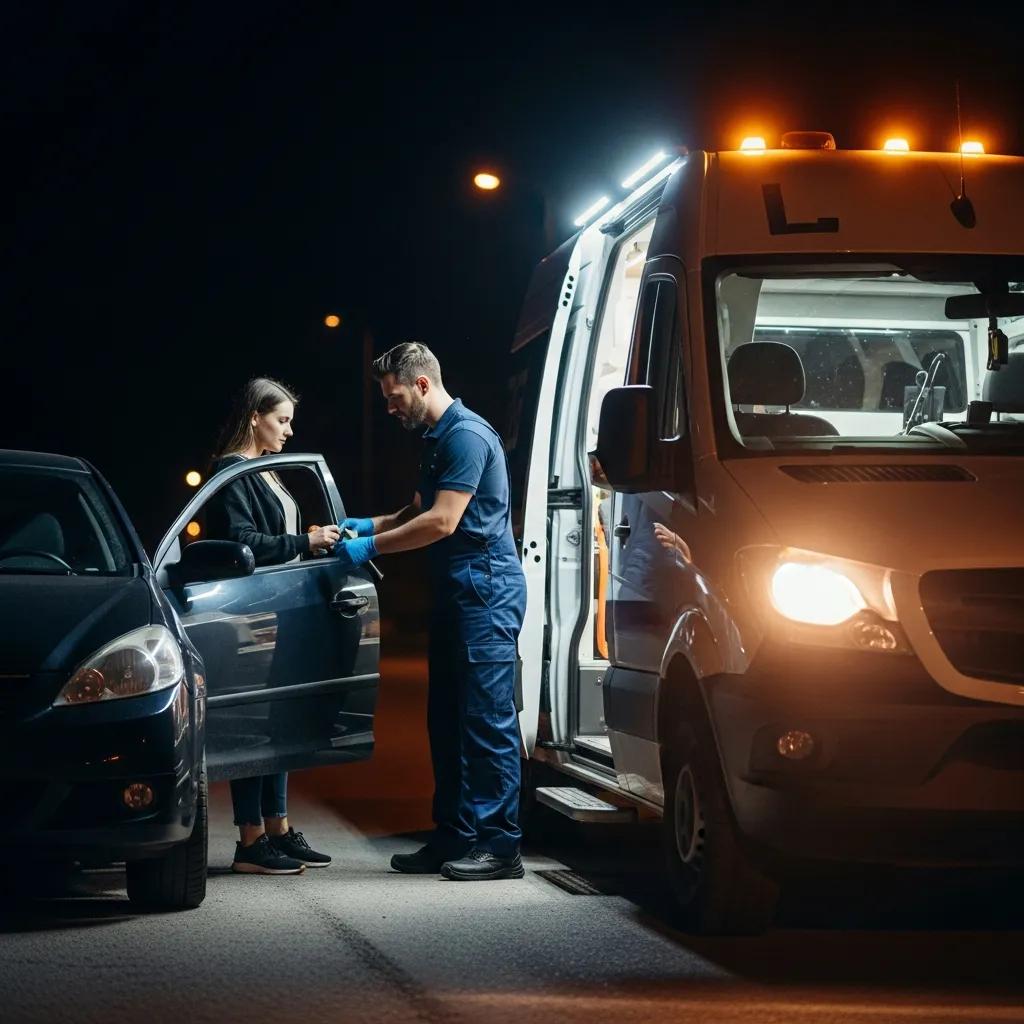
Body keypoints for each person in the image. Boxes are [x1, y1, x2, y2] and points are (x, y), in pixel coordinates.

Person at [336, 342, 527, 881]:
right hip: (455, 593)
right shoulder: (436, 438)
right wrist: (367, 525)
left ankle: (500, 846)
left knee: (487, 723)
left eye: (394, 397)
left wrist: (371, 550)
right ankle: (455, 836)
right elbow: (414, 510)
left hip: (485, 593)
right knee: (446, 721)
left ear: (421, 385)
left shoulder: (465, 436)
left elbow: (442, 522)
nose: (390, 407)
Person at [206, 376, 340, 875]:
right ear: (254, 418)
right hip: (252, 609)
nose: (288, 431)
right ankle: (250, 841)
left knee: (279, 721)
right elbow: (243, 540)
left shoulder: (264, 470)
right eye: (281, 420)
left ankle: (278, 829)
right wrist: (305, 544)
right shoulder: (231, 472)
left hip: (281, 605)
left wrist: (302, 538)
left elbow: (272, 534)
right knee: (256, 725)